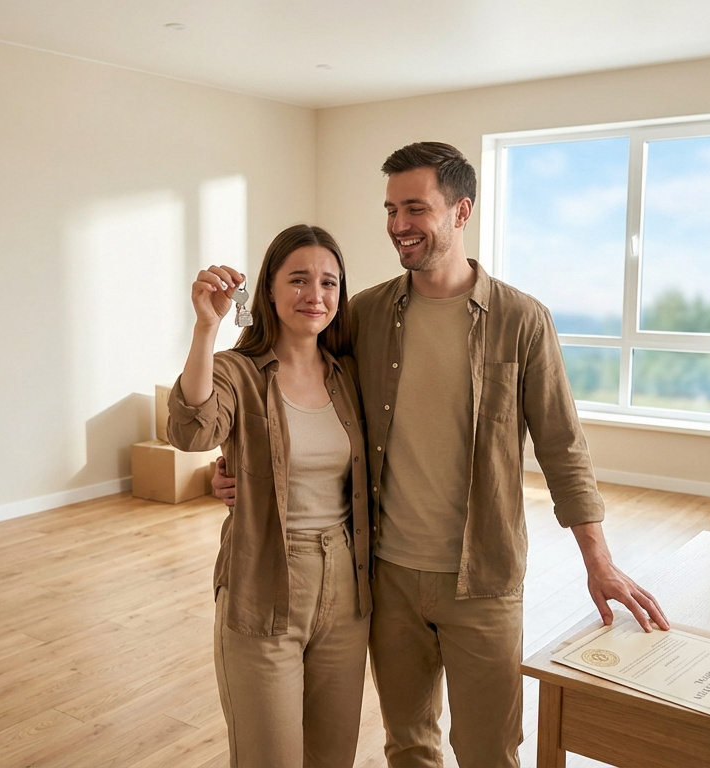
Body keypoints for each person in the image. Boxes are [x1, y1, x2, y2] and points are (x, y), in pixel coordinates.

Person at [214, 142, 669, 768]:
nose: (400, 225)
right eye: (391, 209)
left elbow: (563, 447)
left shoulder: (522, 320)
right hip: (385, 578)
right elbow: (295, 378)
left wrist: (599, 560)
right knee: (409, 745)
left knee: (489, 750)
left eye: (416, 208)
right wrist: (239, 463)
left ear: (462, 212)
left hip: (482, 579)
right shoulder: (365, 313)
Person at [165, 224, 372, 768]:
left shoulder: (350, 375)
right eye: (298, 279)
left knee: (333, 757)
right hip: (264, 581)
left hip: (347, 587)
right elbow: (193, 433)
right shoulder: (237, 371)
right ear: (270, 290)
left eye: (329, 282)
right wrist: (206, 329)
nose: (315, 294)